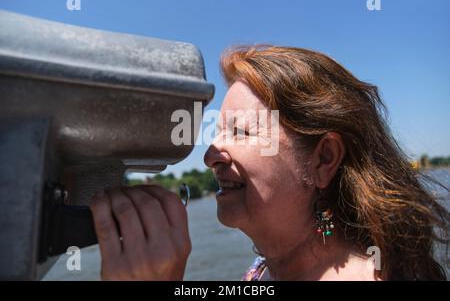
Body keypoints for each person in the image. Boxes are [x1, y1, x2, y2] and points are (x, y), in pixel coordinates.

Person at [90, 45, 449, 281]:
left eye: (241, 132)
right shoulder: (270, 269)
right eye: (217, 134)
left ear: (323, 160)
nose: (210, 155)